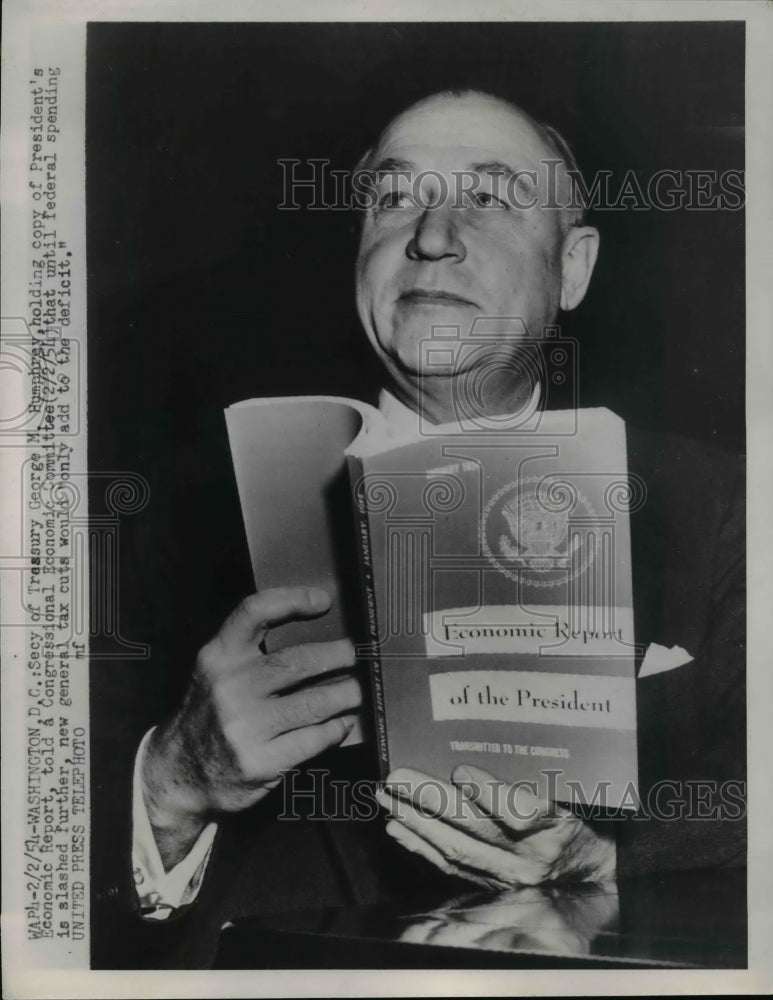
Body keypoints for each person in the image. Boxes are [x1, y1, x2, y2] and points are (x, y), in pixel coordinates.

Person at [92, 90, 745, 968]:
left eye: (490, 198)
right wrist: (176, 780)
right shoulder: (165, 513)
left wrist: (610, 858)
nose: (433, 236)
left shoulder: (722, 506)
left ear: (573, 267)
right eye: (394, 199)